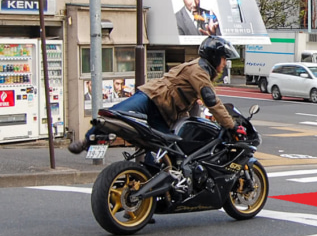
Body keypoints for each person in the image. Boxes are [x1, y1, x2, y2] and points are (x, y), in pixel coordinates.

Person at [69, 36, 241, 154]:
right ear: (214, 57)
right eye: (224, 58)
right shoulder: (199, 71)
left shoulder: (203, 71)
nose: (225, 63)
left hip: (164, 112)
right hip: (151, 97)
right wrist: (231, 125)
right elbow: (212, 102)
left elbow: (192, 104)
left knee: (163, 149)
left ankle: (148, 181)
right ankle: (86, 142)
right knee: (115, 114)